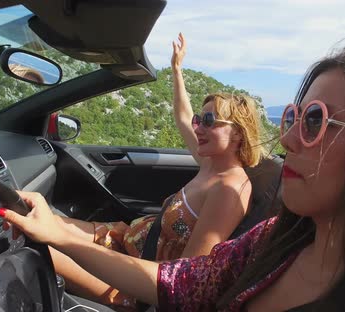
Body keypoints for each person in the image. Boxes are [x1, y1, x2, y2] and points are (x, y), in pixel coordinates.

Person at [0, 0, 345, 310]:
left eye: (316, 121)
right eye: (293, 118)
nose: (289, 141)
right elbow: (179, 283)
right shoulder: (277, 239)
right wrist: (57, 234)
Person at [38, 33, 266, 309]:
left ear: (239, 133)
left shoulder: (229, 191)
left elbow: (187, 279)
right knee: (43, 221)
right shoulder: (211, 163)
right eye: (199, 119)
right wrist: (177, 69)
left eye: (209, 120)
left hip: (133, 284)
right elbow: (183, 117)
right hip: (122, 238)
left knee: (42, 247)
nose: (198, 127)